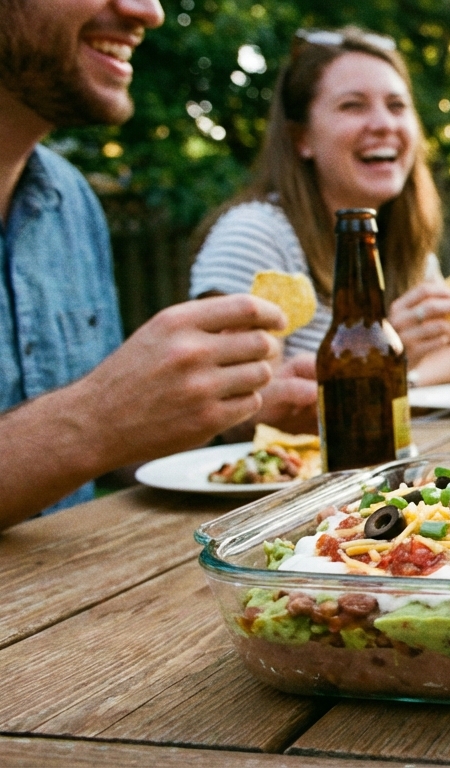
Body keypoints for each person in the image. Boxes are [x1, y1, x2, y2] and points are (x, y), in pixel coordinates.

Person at [0, 0, 306, 522]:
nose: (149, 10)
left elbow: (101, 459)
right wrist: (96, 419)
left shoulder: (70, 202)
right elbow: (90, 430)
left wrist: (234, 415)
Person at [190, 27, 450, 395]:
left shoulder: (396, 239)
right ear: (302, 139)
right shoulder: (253, 235)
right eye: (352, 105)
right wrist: (377, 352)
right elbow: (233, 404)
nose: (384, 124)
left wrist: (396, 376)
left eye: (397, 106)